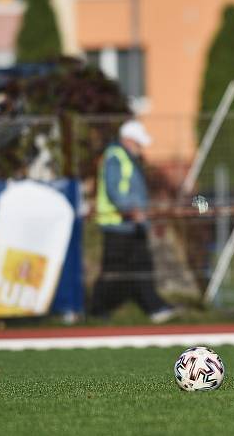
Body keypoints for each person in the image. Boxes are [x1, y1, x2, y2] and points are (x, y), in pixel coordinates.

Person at [89, 119, 177, 323]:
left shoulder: (127, 158)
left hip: (132, 224)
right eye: (138, 143)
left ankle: (155, 306)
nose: (141, 148)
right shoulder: (116, 158)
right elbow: (114, 190)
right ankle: (97, 309)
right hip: (118, 224)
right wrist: (131, 210)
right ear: (128, 140)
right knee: (113, 269)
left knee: (142, 265)